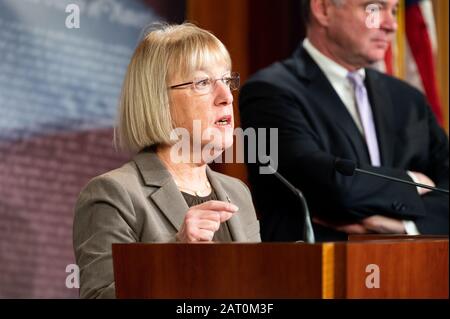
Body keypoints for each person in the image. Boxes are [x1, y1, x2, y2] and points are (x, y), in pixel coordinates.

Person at [73, 23, 261, 299]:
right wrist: (175, 256)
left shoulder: (237, 194)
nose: (225, 97)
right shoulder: (113, 194)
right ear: (158, 99)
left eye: (226, 80)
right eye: (203, 83)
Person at [239, 0, 448, 242]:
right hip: (312, 271)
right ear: (323, 9)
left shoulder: (408, 100)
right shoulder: (267, 93)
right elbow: (330, 188)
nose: (391, 25)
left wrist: (406, 225)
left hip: (410, 272)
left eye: (394, 11)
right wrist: (413, 182)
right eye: (374, 9)